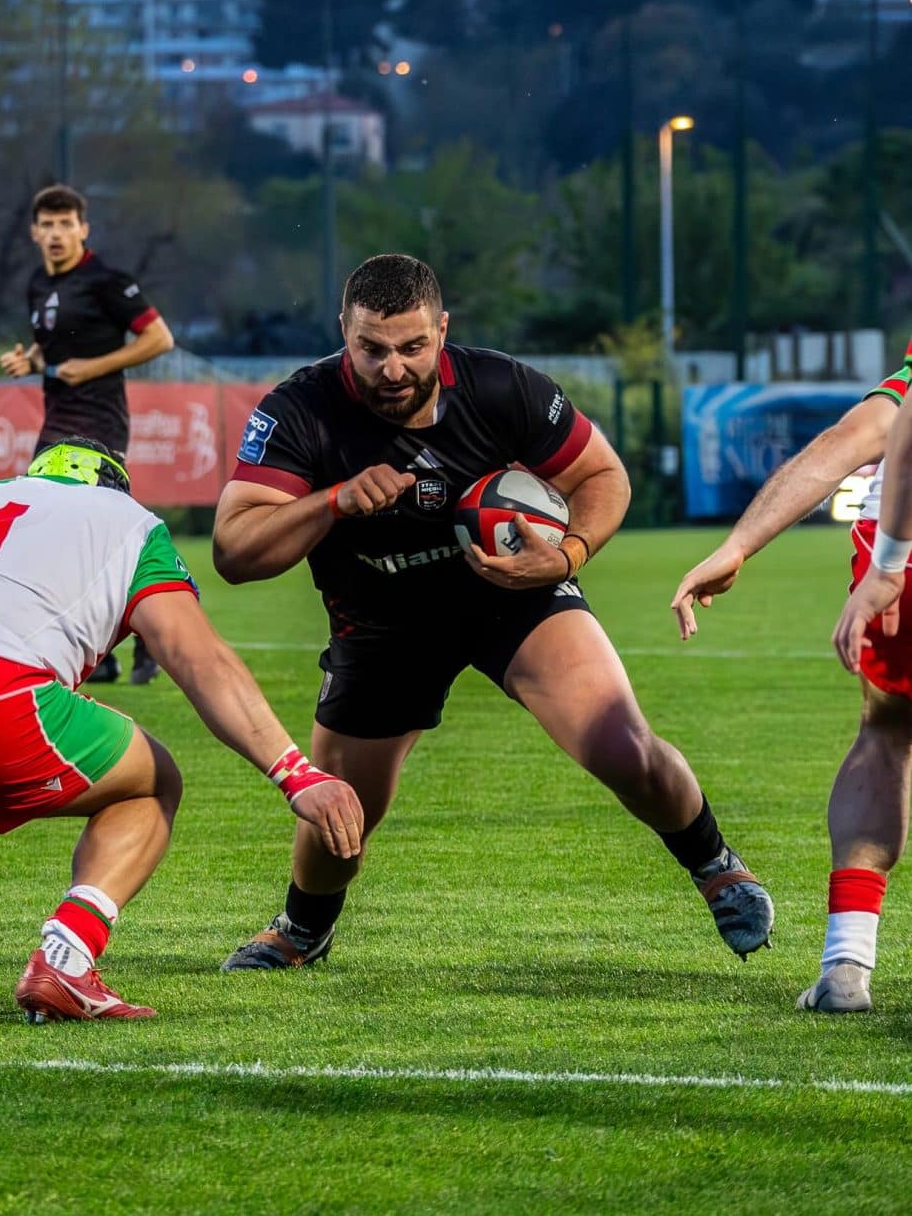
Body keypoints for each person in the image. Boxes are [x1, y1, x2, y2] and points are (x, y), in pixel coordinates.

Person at [211, 253, 773, 972]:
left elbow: (603, 475)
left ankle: (716, 865)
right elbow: (234, 550)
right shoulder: (299, 410)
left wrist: (566, 556)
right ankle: (303, 928)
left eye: (413, 346)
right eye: (372, 348)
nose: (392, 368)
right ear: (343, 332)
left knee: (622, 744)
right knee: (342, 810)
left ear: (442, 330)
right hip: (380, 622)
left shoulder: (501, 386)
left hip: (514, 597)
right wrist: (334, 500)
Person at [0, 437, 363, 1022]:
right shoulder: (130, 524)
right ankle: (67, 958)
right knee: (152, 783)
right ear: (115, 487)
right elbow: (197, 659)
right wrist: (295, 774)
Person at [671, 344, 911, 1012]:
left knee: (888, 733)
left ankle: (846, 967)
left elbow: (860, 436)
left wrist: (739, 544)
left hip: (900, 546)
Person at [0, 183, 174, 685]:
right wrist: (31, 360)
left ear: (83, 229)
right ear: (34, 233)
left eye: (66, 224)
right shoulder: (38, 283)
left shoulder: (106, 281)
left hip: (99, 421)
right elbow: (49, 344)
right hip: (55, 420)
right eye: (48, 225)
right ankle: (100, 654)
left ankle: (151, 631)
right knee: (50, 532)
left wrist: (93, 367)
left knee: (100, 533)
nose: (57, 234)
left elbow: (159, 338)